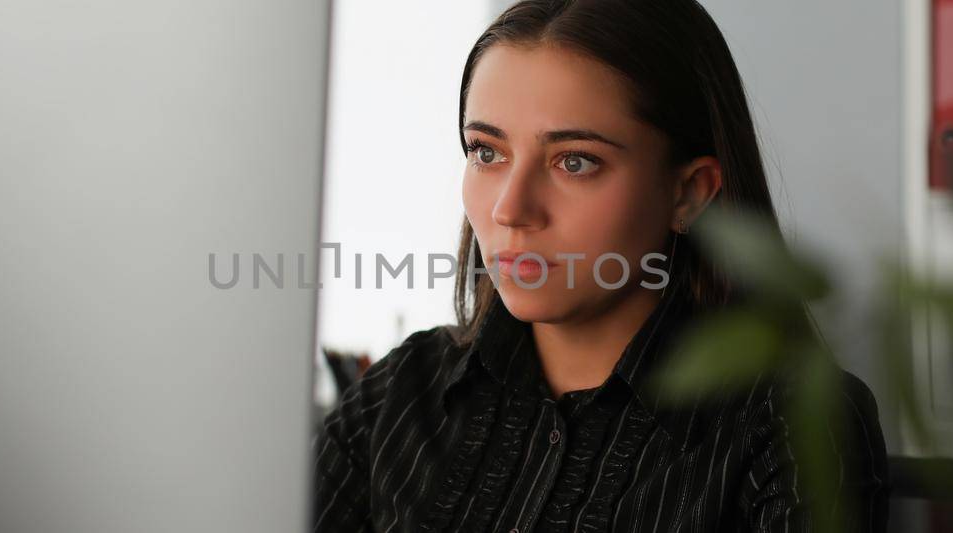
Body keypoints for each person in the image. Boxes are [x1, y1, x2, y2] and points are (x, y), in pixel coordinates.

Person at [313, 1, 888, 531]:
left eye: (575, 161)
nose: (511, 208)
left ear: (689, 193)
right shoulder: (392, 400)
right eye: (486, 152)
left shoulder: (794, 426)